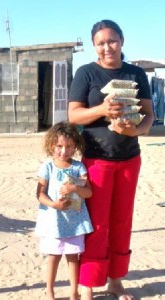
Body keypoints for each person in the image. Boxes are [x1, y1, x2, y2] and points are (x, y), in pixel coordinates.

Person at [68, 20, 154, 300]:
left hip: (129, 158)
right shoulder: (86, 73)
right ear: (94, 47)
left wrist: (136, 129)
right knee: (97, 223)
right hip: (97, 159)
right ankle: (88, 285)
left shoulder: (136, 73)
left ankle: (116, 282)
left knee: (121, 222)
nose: (107, 47)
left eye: (112, 41)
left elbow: (149, 114)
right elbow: (74, 116)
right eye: (101, 43)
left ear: (122, 41)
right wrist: (102, 108)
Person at [35, 121, 93, 300]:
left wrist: (75, 189)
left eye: (69, 146)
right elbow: (40, 193)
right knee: (53, 256)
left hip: (75, 222)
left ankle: (74, 293)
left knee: (73, 257)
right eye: (59, 146)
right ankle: (50, 292)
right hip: (54, 222)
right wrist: (54, 205)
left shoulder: (78, 167)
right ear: (52, 145)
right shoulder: (48, 167)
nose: (64, 150)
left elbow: (88, 192)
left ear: (75, 146)